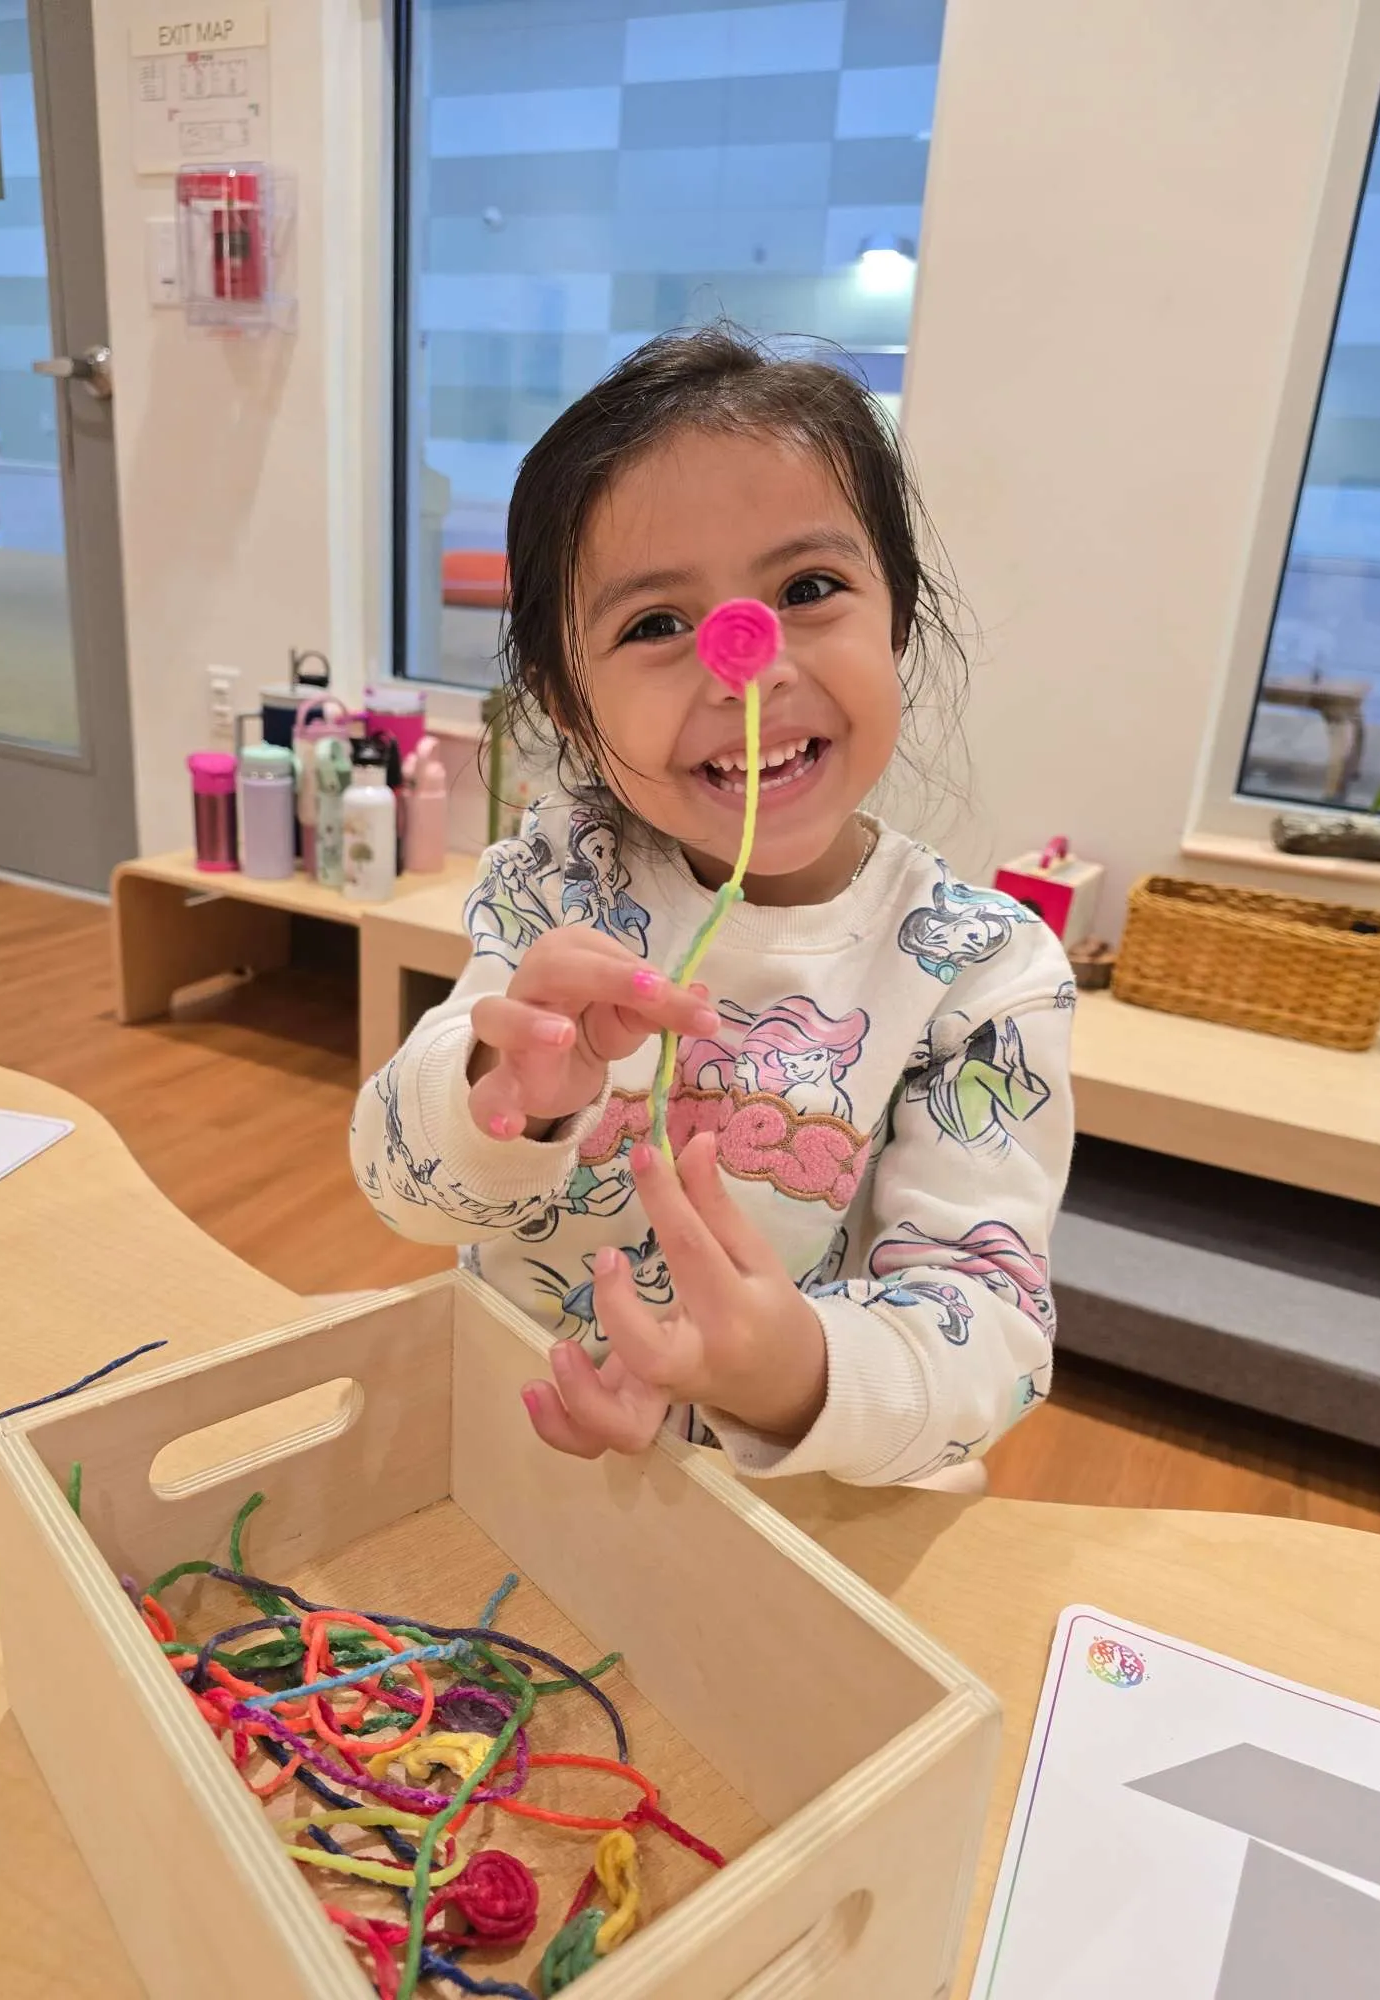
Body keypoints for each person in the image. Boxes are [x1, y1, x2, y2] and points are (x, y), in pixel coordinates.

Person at [352, 325, 1074, 1488]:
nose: (749, 665)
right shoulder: (560, 876)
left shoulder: (980, 973)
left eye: (810, 589)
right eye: (653, 624)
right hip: (523, 1466)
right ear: (567, 704)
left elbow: (987, 1335)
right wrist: (505, 1106)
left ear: (897, 618)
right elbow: (401, 1193)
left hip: (812, 1523)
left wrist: (787, 1372)